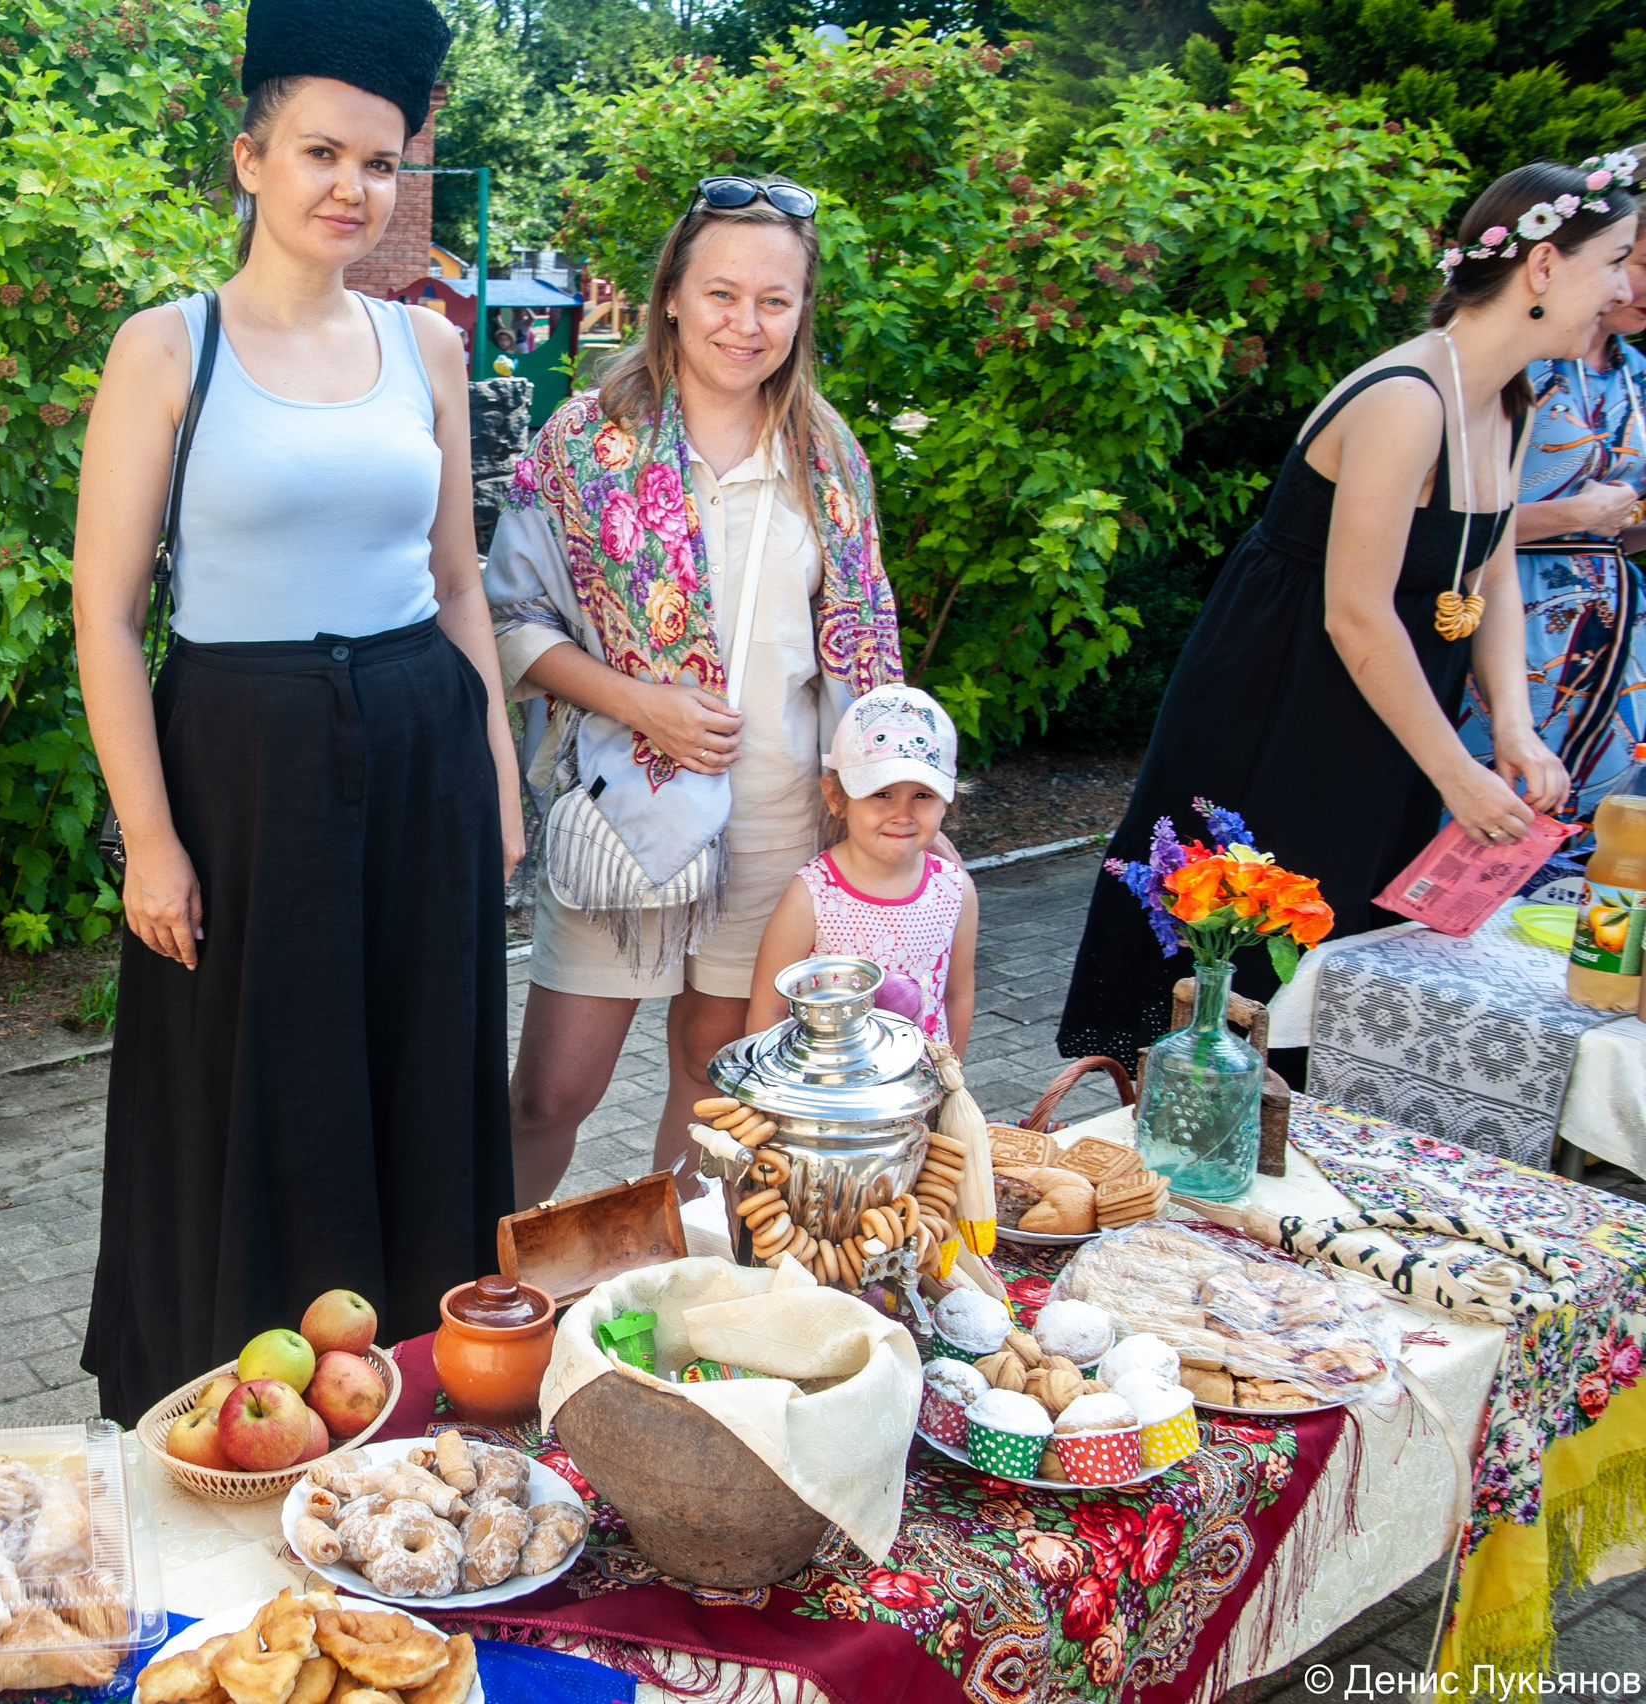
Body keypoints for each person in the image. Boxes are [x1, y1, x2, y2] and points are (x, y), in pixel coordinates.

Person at [72, 0, 521, 1426]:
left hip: (419, 756)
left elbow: (458, 588)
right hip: (241, 766)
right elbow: (105, 612)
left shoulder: (425, 352)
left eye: (382, 164)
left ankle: (414, 1392)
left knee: (415, 1074)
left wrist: (501, 790)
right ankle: (232, 1402)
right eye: (323, 152)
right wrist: (150, 836)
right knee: (257, 1088)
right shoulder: (168, 348)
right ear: (251, 157)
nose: (354, 188)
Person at [1059, 160, 1628, 1070]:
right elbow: (1357, 615)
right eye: (1616, 261)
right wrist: (1456, 774)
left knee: (1350, 936)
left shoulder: (1510, 400)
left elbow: (1491, 572)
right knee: (1256, 942)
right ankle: (1185, 1132)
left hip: (1389, 711)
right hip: (1285, 705)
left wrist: (1513, 730)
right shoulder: (1407, 399)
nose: (1625, 288)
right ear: (1546, 266)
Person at [484, 175, 907, 1208]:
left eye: (775, 299)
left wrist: (886, 802)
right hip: (629, 815)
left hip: (775, 823)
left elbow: (865, 649)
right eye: (721, 293)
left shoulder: (829, 456)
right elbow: (503, 622)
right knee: (550, 1090)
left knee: (715, 1079)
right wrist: (639, 702)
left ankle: (676, 1286)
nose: (746, 322)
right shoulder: (583, 445)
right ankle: (478, 1299)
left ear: (803, 313)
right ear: (670, 292)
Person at [1460, 149, 1646, 848]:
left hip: (1610, 634)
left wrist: (1621, 524)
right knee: (1487, 819)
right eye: (1637, 263)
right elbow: (1438, 525)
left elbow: (1620, 523)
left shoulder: (1636, 374)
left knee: (1588, 836)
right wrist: (1570, 517)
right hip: (1506, 621)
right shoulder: (1519, 364)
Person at [746, 686, 979, 1048]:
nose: (902, 815)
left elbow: (957, 995)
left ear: (946, 800)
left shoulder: (955, 889)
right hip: (827, 1093)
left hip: (920, 1090)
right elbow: (769, 1009)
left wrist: (954, 1083)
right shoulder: (812, 894)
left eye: (922, 795)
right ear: (836, 797)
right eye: (880, 794)